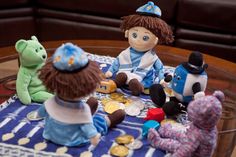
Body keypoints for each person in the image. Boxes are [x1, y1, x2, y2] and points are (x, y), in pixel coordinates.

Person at [37, 43, 125, 146]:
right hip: (74, 139)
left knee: (90, 105)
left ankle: (91, 111)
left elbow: (40, 113)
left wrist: (37, 115)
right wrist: (94, 137)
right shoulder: (82, 110)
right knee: (97, 122)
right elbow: (88, 129)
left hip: (51, 135)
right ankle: (108, 121)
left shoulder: (50, 101)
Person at [105, 1, 174, 95]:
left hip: (143, 78)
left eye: (145, 38)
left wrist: (162, 79)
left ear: (155, 40)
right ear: (127, 33)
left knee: (145, 81)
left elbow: (159, 68)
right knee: (122, 75)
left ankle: (137, 87)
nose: (138, 41)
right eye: (134, 35)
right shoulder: (125, 53)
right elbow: (117, 62)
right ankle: (120, 81)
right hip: (125, 73)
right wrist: (110, 71)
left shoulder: (152, 57)